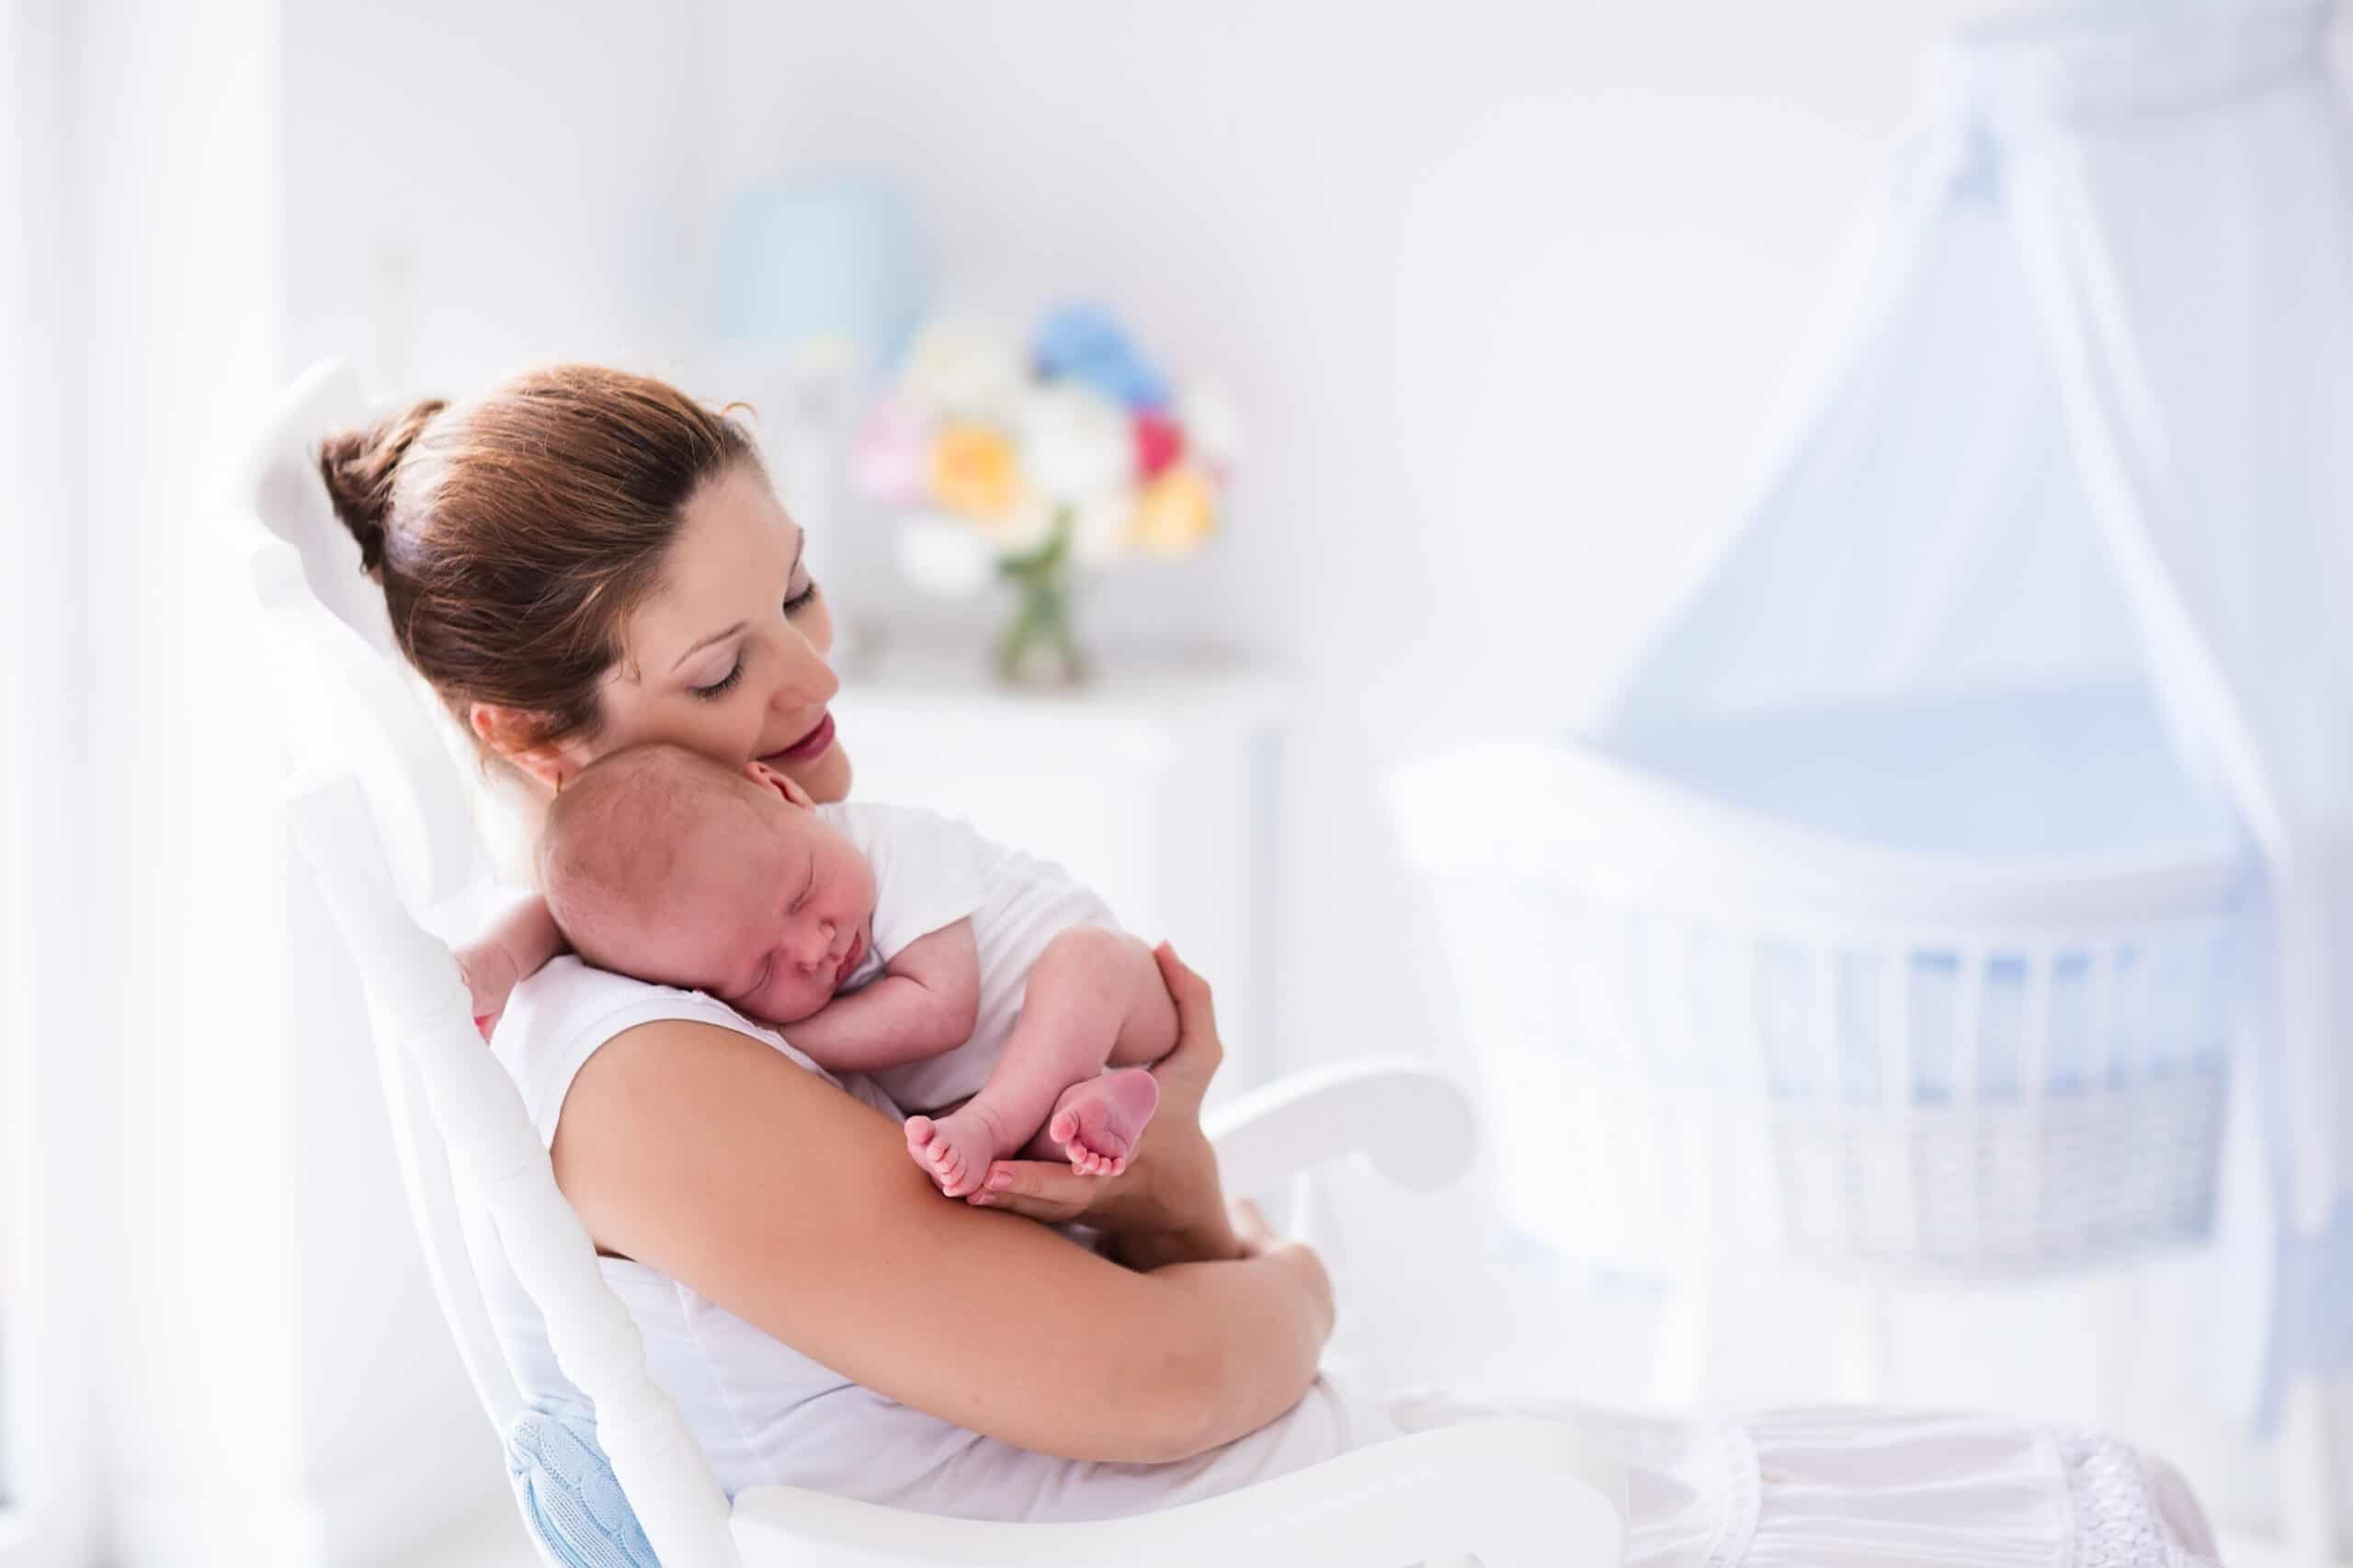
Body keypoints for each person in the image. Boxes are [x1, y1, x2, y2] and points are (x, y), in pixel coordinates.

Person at [317, 364, 2223, 1561]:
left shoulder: (791, 945)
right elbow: (1160, 1377)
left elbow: (1151, 1269)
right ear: (531, 732)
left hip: (1263, 1475)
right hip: (1222, 1500)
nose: (815, 683)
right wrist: (1297, 1279)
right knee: (2070, 1517)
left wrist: (1169, 1174)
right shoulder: (653, 1082)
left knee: (2080, 1492)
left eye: (799, 591)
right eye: (722, 670)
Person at [530, 740, 1175, 1193]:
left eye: (801, 894)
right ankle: (1083, 1120)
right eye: (761, 972)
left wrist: (776, 1035)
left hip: (1121, 1007)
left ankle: (1013, 1119)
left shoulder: (894, 845)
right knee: (1011, 1161)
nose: (814, 949)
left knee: (1085, 958)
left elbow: (943, 1009)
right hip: (1015, 1098)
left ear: (784, 793)